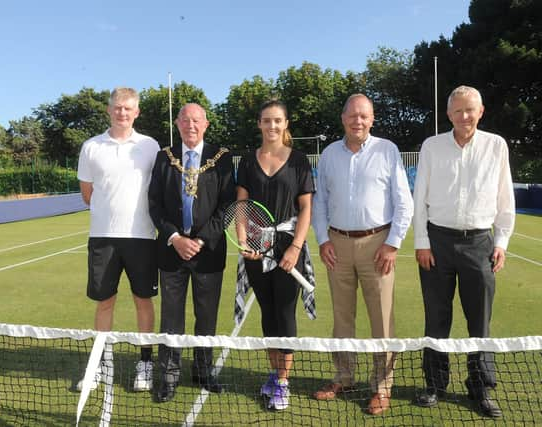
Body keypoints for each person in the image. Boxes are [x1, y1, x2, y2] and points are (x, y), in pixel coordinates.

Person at [413, 85, 515, 418]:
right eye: (457, 111)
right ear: (448, 114)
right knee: (436, 320)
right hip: (437, 243)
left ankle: (480, 387)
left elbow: (504, 199)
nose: (464, 116)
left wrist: (501, 242)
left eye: (470, 109)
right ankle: (434, 384)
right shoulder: (431, 146)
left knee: (479, 322)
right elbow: (420, 199)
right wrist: (422, 243)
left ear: (481, 111)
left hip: (480, 244)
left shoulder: (496, 145)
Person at [311, 94, 413, 415]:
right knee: (342, 318)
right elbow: (321, 203)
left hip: (378, 245)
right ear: (343, 118)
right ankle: (344, 377)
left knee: (382, 320)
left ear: (372, 119)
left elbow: (403, 202)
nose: (358, 121)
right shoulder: (328, 154)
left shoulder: (388, 150)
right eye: (353, 115)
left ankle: (381, 387)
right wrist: (323, 240)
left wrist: (393, 243)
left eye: (364, 116)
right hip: (337, 245)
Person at [148, 103, 235, 403]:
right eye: (185, 120)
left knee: (206, 316)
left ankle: (203, 371)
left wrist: (200, 240)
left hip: (208, 252)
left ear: (206, 124)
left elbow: (228, 207)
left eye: (196, 120)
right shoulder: (164, 157)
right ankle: (169, 376)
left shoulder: (221, 159)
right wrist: (175, 237)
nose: (191, 125)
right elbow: (154, 204)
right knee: (171, 318)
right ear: (177, 123)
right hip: (172, 251)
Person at [76, 87, 160, 392]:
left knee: (143, 301)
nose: (122, 112)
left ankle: (146, 363)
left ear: (136, 112)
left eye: (128, 108)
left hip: (141, 237)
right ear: (109, 110)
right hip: (102, 238)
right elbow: (88, 195)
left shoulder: (151, 146)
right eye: (117, 108)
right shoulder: (91, 147)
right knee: (104, 302)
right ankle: (100, 364)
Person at [235, 99, 315, 411]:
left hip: (287, 249)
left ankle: (283, 382)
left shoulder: (299, 160)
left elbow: (306, 207)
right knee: (268, 315)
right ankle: (273, 373)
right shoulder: (247, 160)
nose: (272, 126)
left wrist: (295, 248)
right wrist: (244, 242)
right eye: (267, 120)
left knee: (285, 314)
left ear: (286, 124)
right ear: (259, 124)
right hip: (255, 249)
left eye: (277, 121)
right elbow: (241, 206)